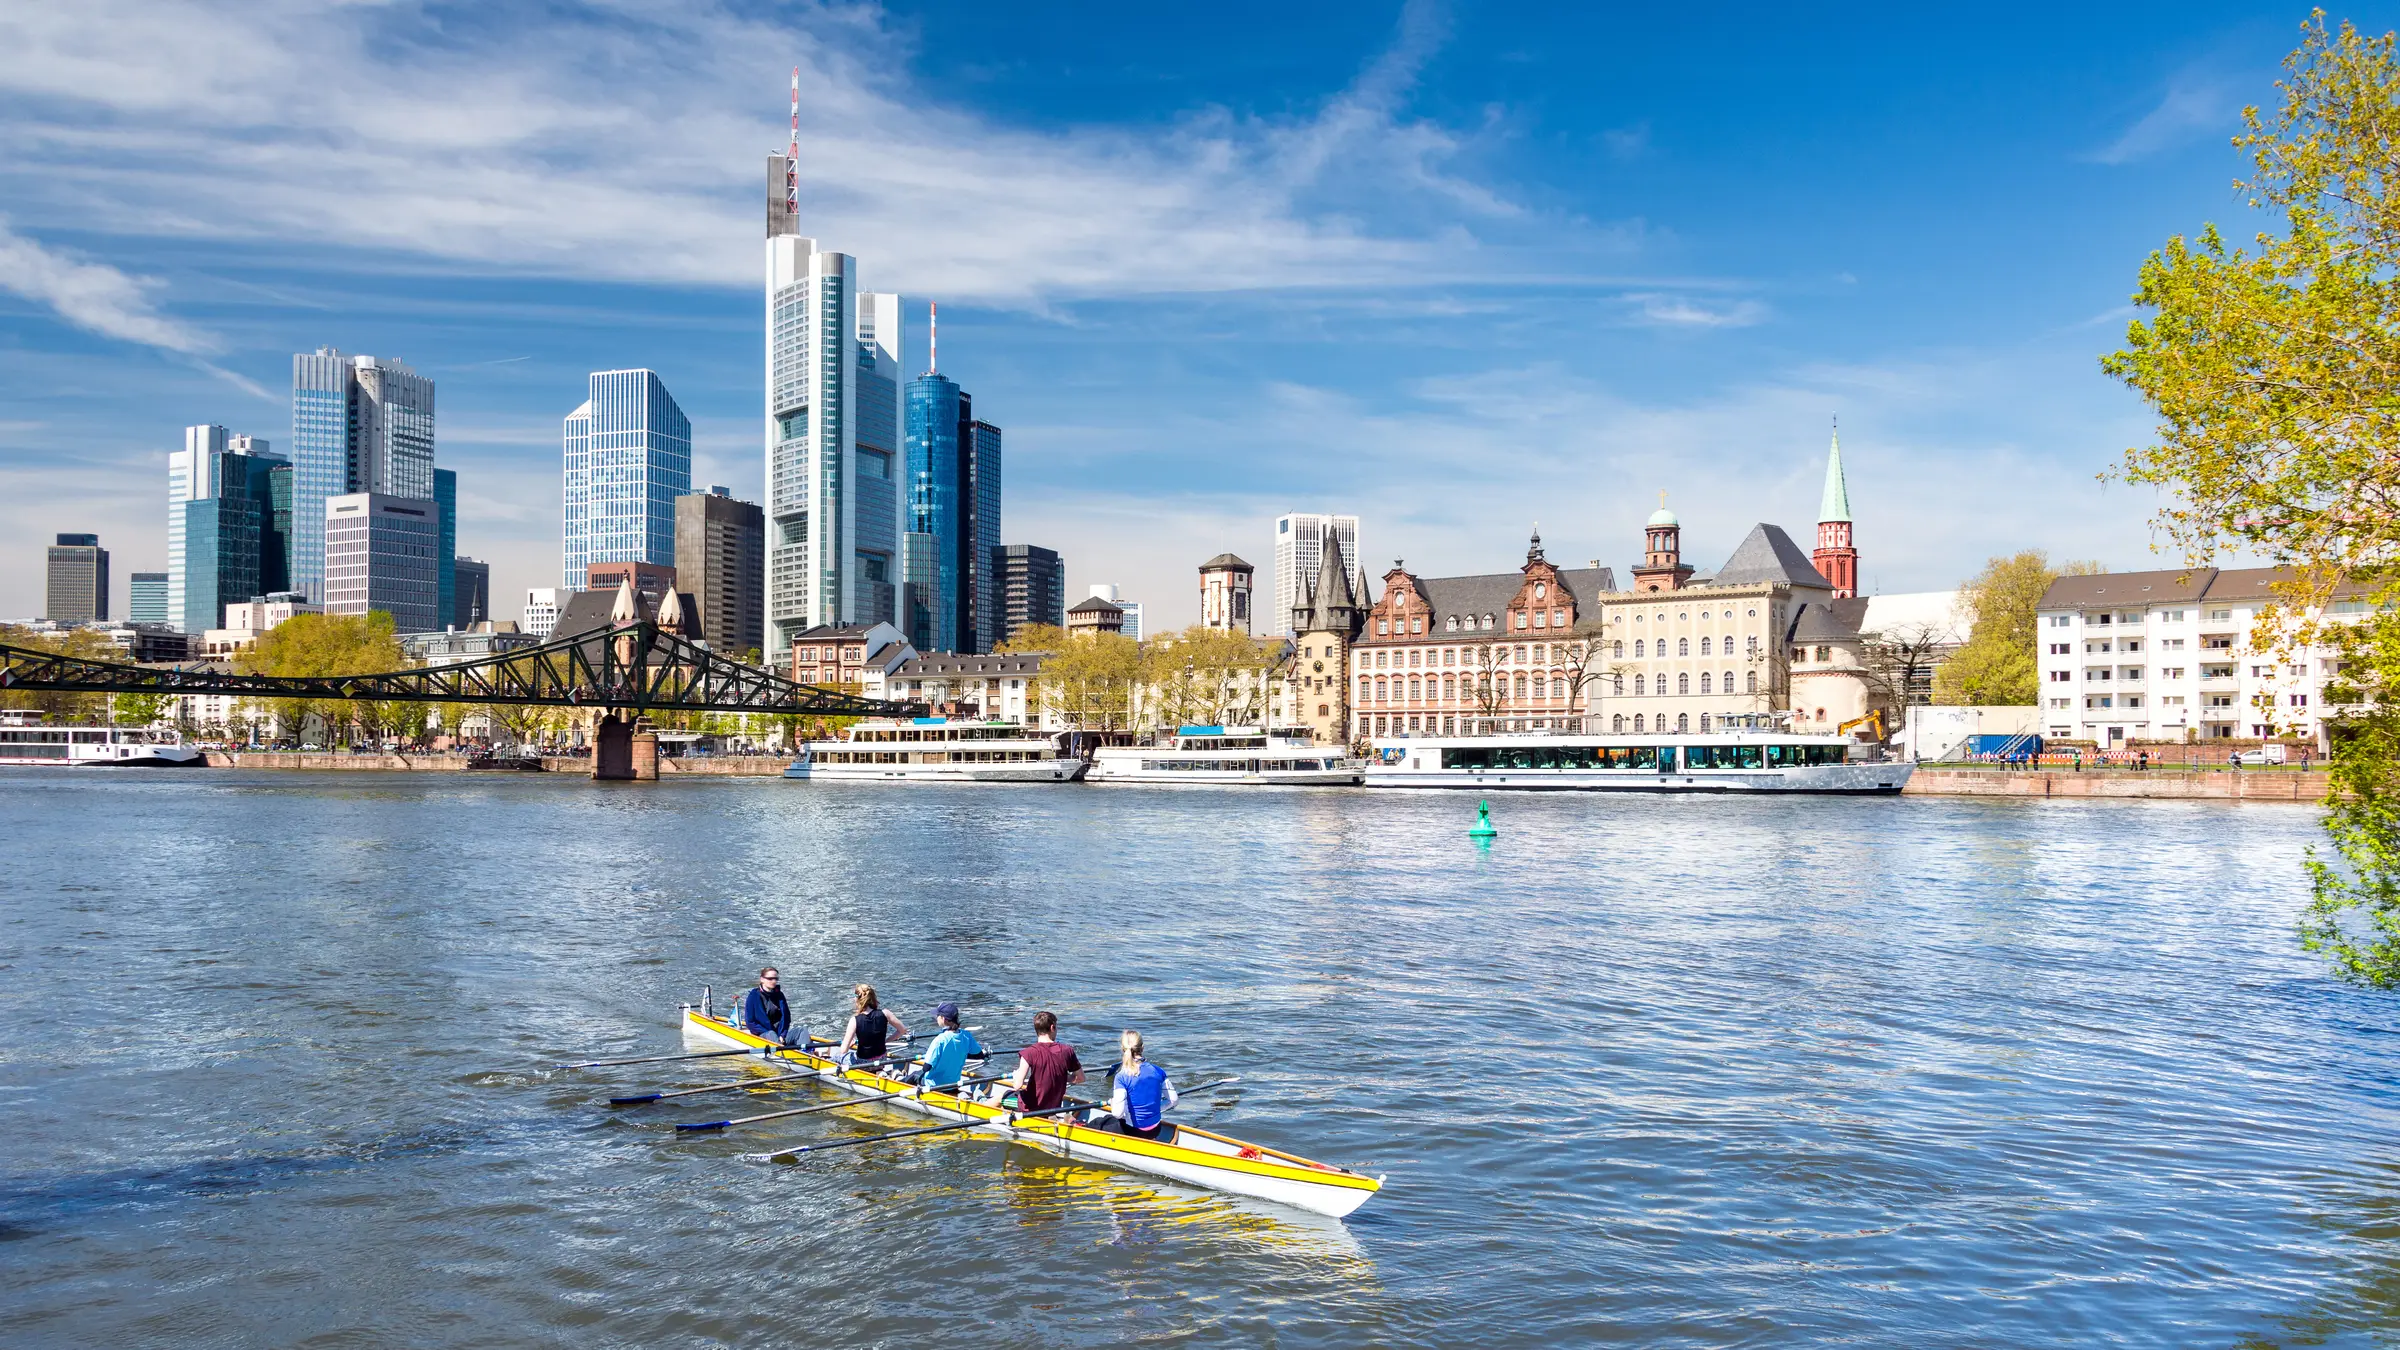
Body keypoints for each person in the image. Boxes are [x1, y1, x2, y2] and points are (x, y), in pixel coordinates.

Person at [1099, 1029, 1178, 1141]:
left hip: (1132, 1131)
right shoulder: (1159, 1071)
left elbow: (1117, 1113)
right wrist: (1154, 1109)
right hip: (1156, 1130)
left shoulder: (1122, 1076)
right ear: (1143, 1048)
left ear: (1123, 1049)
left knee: (1099, 1122)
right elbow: (1173, 1101)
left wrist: (1113, 1103)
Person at [1001, 1010, 1083, 1112]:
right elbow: (1080, 1078)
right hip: (1053, 1107)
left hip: (1030, 1107)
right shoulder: (1067, 1050)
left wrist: (1015, 1075)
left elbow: (1017, 1085)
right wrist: (1062, 1077)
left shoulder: (1028, 1052)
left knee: (1002, 1096)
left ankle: (979, 1108)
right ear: (1052, 1027)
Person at [903, 1002, 984, 1088]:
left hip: (934, 1086)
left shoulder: (940, 1040)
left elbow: (927, 1067)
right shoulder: (966, 1035)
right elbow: (979, 1055)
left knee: (915, 1075)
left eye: (937, 1015)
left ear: (943, 1018)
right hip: (953, 1085)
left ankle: (898, 1081)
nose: (936, 1018)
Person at [835, 983, 907, 1067]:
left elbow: (843, 1051)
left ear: (858, 1000)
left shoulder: (854, 1020)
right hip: (882, 1061)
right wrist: (885, 1041)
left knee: (835, 1057)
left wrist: (849, 1044)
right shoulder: (886, 1013)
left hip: (862, 1063)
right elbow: (902, 1030)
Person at [737, 968, 801, 1047]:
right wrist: (769, 1032)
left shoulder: (780, 995)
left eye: (776, 979)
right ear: (762, 979)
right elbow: (750, 1023)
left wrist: (782, 1035)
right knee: (771, 1034)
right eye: (770, 979)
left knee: (801, 1030)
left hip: (779, 1035)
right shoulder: (753, 996)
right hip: (762, 1035)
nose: (774, 981)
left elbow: (787, 1018)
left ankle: (809, 1052)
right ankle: (783, 1050)